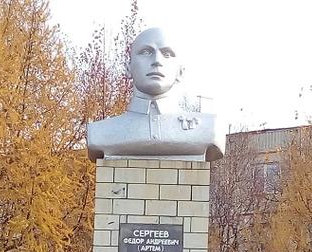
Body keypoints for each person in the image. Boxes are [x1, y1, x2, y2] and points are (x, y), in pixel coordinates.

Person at [86, 27, 224, 161]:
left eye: (167, 54)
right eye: (146, 52)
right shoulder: (100, 132)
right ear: (128, 68)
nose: (157, 60)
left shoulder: (207, 128)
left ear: (180, 72)